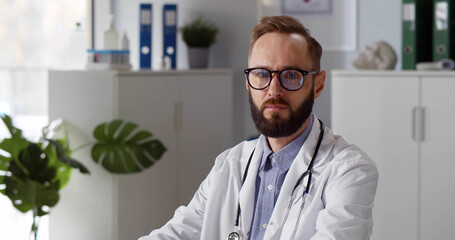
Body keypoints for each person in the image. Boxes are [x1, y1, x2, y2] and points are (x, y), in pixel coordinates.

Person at [138, 15, 378, 240]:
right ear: (248, 82)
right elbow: (178, 232)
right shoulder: (229, 165)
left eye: (291, 75)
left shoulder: (349, 170)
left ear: (318, 84)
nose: (273, 90)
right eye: (262, 74)